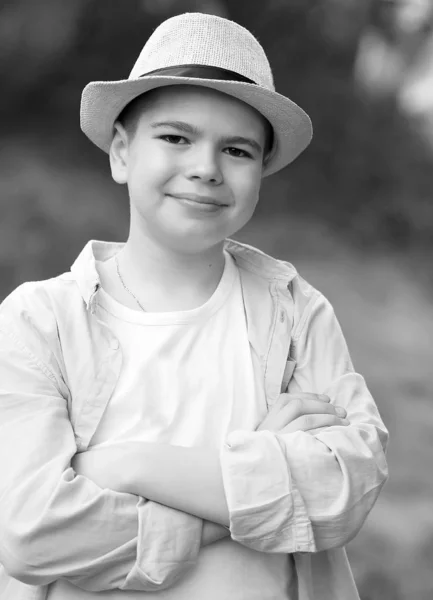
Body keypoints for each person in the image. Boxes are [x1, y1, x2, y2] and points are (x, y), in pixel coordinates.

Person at [0, 12, 388, 600]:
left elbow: (346, 487)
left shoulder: (296, 314)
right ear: (122, 153)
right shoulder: (40, 322)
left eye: (236, 150)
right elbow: (31, 533)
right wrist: (256, 491)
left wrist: (130, 466)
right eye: (176, 137)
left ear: (261, 174)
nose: (205, 168)